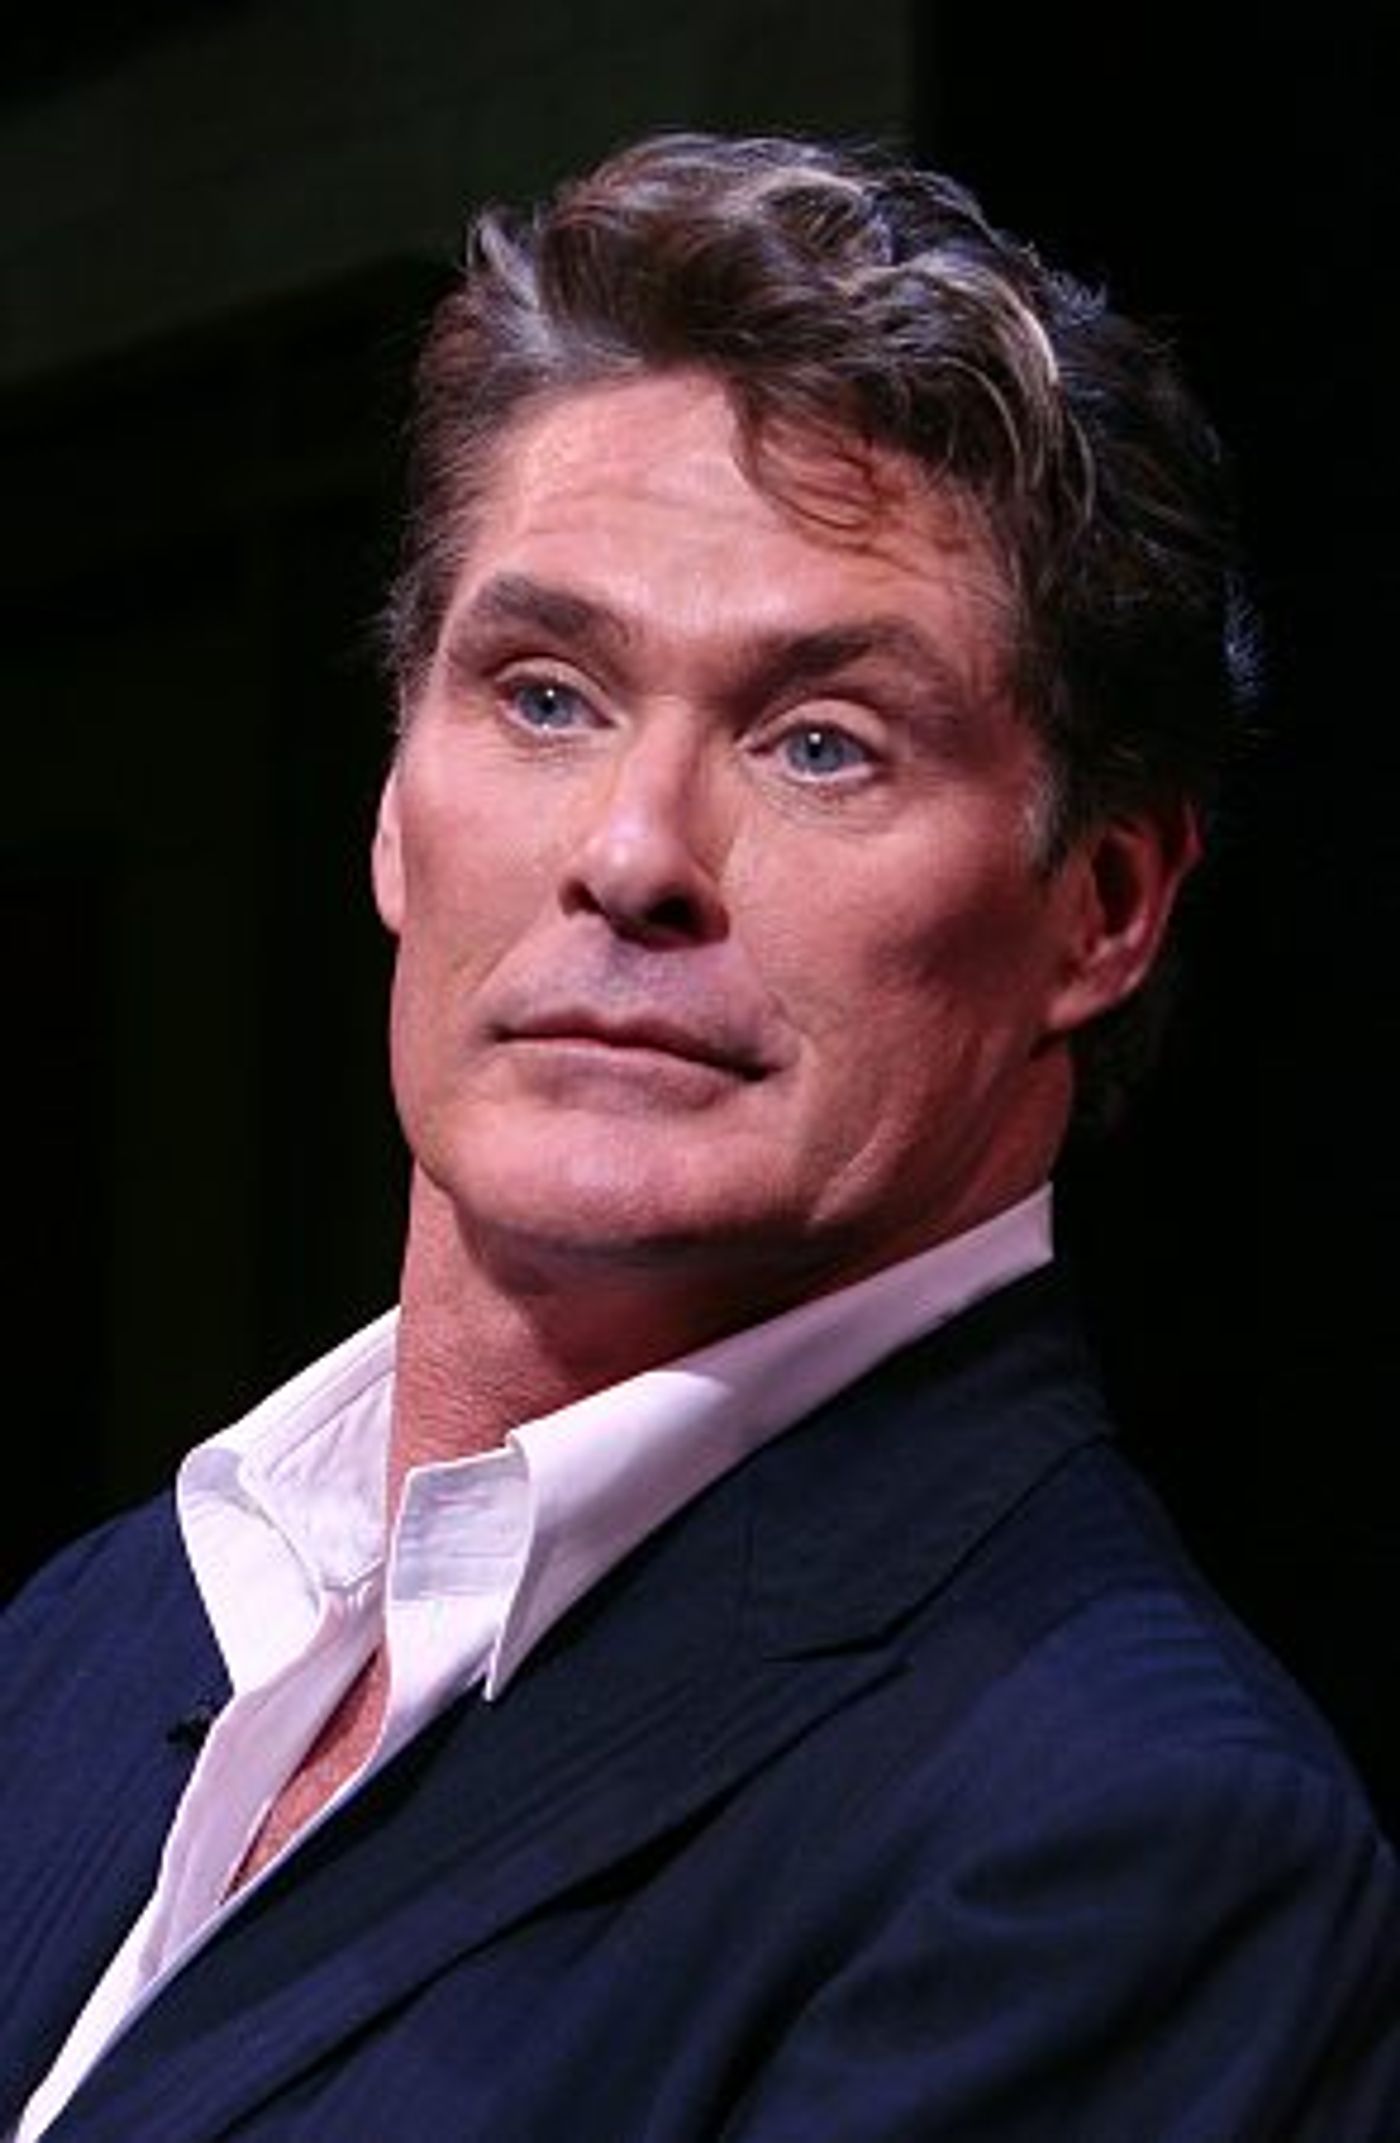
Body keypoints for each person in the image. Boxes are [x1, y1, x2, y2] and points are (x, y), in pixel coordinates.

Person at [1, 127, 1395, 2143]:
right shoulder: (100, 1621)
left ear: (1100, 905)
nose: (633, 853)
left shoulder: (1120, 1836)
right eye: (544, 696)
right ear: (393, 800)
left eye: (822, 743)